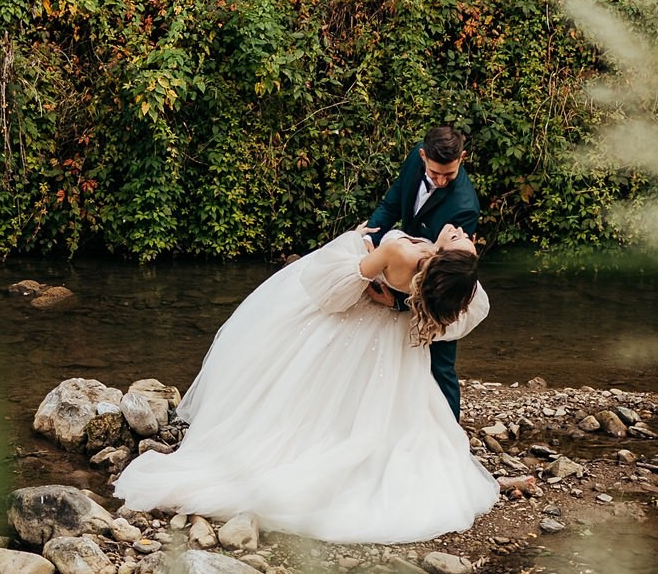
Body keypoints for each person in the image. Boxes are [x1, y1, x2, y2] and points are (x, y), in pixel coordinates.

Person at [111, 223, 496, 544]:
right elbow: (452, 309)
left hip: (357, 331)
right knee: (377, 407)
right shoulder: (445, 283)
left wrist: (359, 241)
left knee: (323, 399)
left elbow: (337, 287)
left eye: (462, 240)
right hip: (396, 348)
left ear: (447, 256)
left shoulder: (403, 255)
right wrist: (400, 302)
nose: (463, 231)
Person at [358, 126, 479, 421]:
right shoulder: (415, 158)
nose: (439, 181)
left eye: (448, 175)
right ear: (423, 155)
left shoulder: (464, 209)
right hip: (404, 261)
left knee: (441, 363)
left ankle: (449, 433)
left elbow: (449, 279)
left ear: (462, 158)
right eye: (434, 173)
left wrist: (400, 303)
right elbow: (391, 204)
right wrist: (369, 242)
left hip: (440, 291)